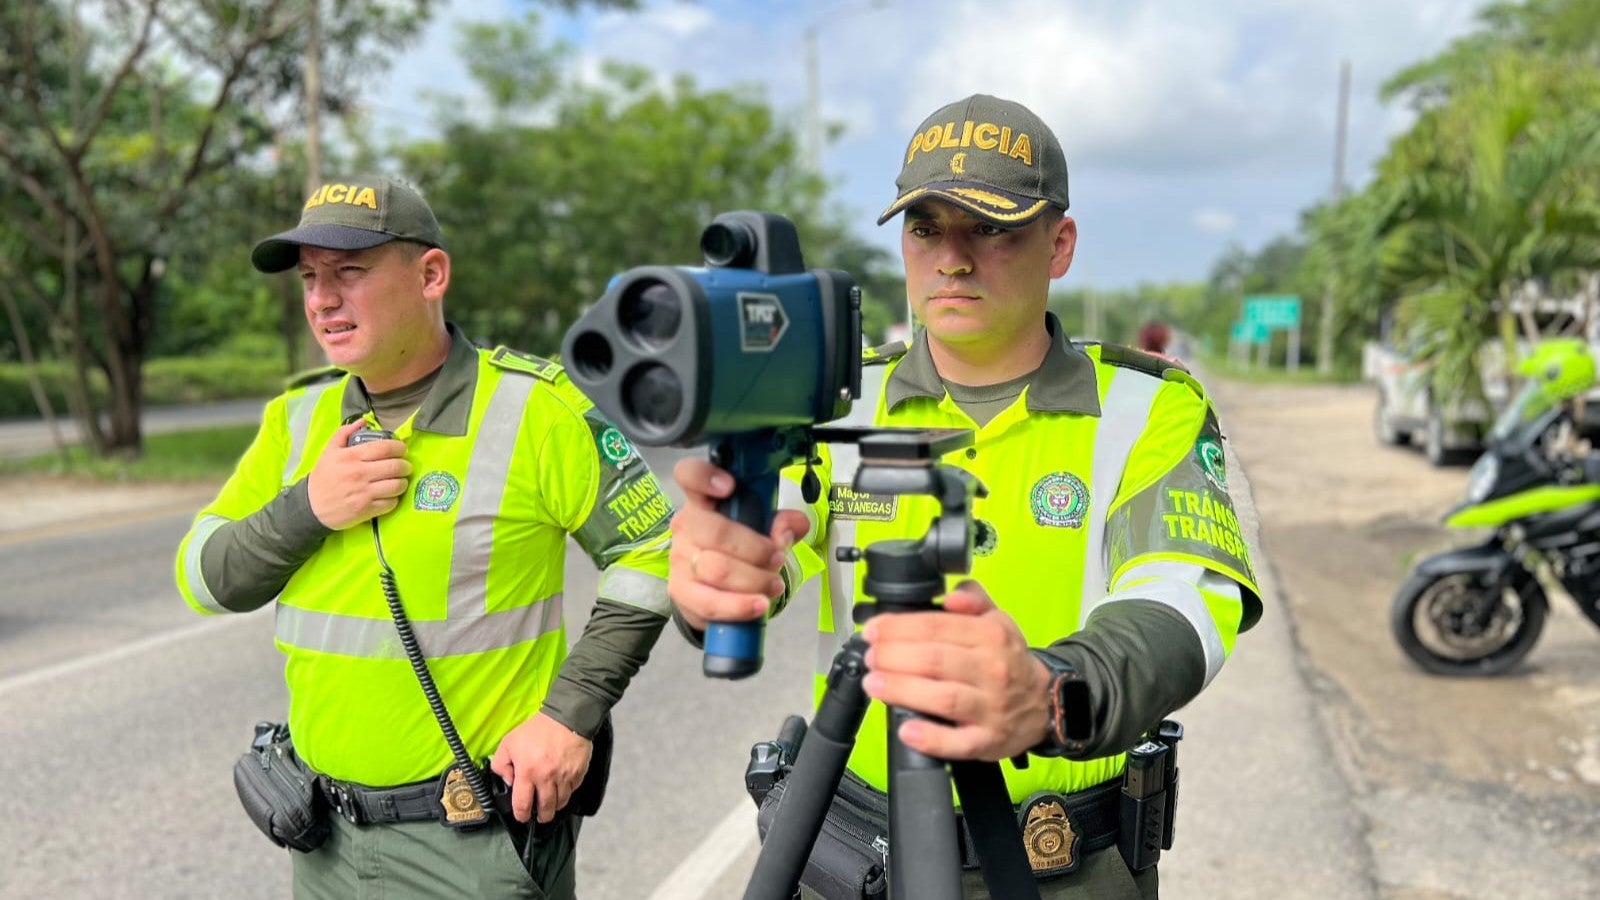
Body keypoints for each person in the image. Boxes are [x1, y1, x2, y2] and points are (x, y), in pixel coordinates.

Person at [667, 95, 1262, 899]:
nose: (950, 258)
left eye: (990, 227)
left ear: (1060, 245)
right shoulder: (834, 400)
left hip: (1060, 863)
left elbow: (1185, 601)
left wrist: (1054, 690)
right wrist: (719, 577)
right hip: (849, 853)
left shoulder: (1150, 406)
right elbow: (774, 547)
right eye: (925, 229)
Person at [174, 175, 674, 899]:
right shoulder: (295, 419)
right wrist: (307, 507)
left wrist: (570, 719)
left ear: (431, 275)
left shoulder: (536, 409)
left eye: (350, 271)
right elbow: (203, 580)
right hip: (324, 842)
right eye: (310, 278)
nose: (321, 298)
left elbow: (651, 552)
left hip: (475, 843)